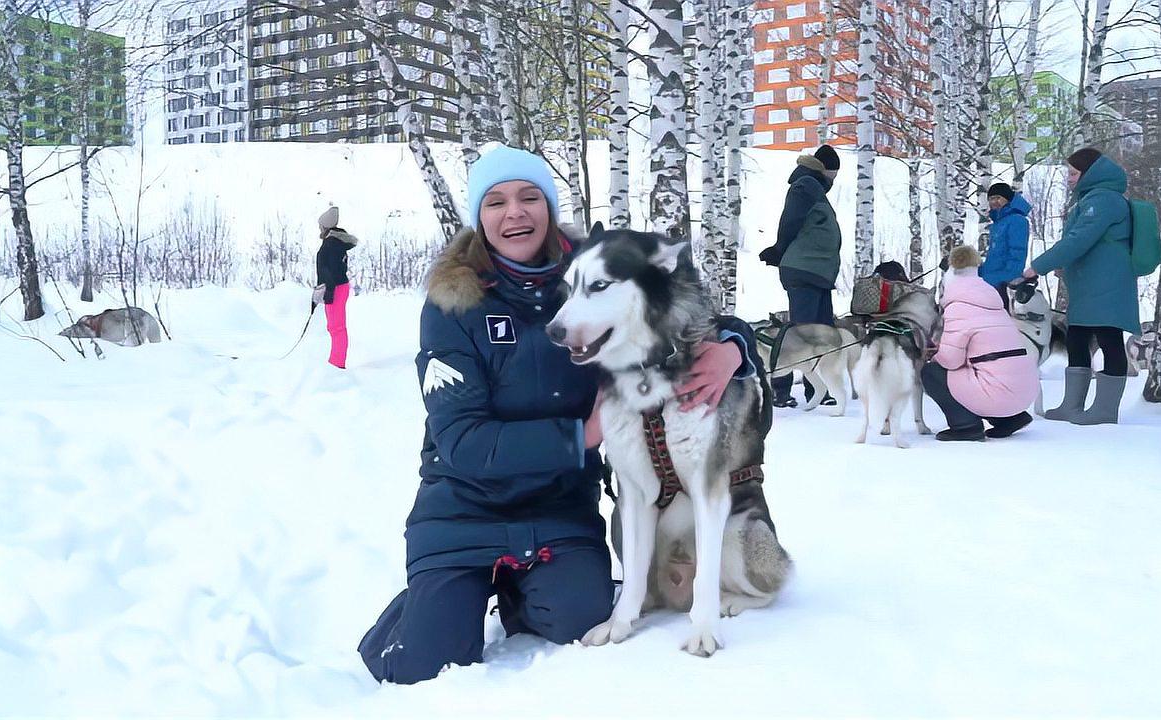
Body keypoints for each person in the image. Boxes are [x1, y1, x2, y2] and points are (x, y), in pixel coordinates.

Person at [356, 146, 764, 685]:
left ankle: (520, 593)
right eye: (496, 201)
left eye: (530, 197)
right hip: (463, 508)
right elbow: (462, 441)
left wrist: (735, 345)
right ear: (479, 218)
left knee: (578, 616)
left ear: (549, 206)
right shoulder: (450, 307)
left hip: (556, 507)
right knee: (425, 659)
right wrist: (584, 434)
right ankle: (435, 599)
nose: (515, 213)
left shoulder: (587, 270)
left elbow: (678, 304)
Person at [1023, 148, 1139, 425]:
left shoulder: (1103, 201)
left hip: (1107, 285)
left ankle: (1104, 410)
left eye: (1074, 173)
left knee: (1109, 338)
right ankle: (1071, 405)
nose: (1069, 179)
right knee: (1076, 337)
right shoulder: (1091, 200)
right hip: (1090, 284)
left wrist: (1036, 267)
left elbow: (1078, 240)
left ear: (1091, 174)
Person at [921, 246, 1039, 441]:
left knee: (931, 372)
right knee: (986, 369)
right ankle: (1009, 419)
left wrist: (934, 352)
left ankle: (965, 426)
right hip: (1025, 391)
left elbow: (950, 361)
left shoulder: (959, 306)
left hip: (1000, 394)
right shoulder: (993, 303)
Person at [758, 144, 843, 408]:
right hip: (805, 269)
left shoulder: (812, 186)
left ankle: (815, 389)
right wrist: (779, 249)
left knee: (820, 333)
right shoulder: (806, 185)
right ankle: (779, 389)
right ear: (825, 170)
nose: (834, 180)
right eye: (834, 174)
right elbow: (791, 220)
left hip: (816, 271)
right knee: (802, 333)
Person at [314, 206, 358, 369]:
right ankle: (336, 362)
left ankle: (337, 364)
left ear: (325, 226)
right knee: (335, 327)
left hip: (336, 288)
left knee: (336, 328)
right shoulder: (335, 242)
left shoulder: (331, 244)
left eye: (320, 225)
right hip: (338, 287)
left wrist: (328, 291)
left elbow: (330, 270)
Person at [979, 182, 1031, 311]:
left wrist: (1003, 278)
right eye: (991, 198)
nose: (994, 202)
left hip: (1003, 284)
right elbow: (996, 257)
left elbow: (1017, 254)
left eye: (998, 198)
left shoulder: (1017, 220)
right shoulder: (999, 222)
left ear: (1007, 199)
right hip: (991, 280)